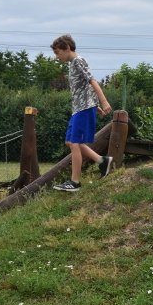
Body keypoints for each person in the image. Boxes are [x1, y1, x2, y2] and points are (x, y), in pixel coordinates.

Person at [51, 34, 114, 191]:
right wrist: (94, 105)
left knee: (75, 143)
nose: (57, 57)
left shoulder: (78, 61)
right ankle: (102, 161)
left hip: (83, 109)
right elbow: (85, 87)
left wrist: (103, 101)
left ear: (67, 48)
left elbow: (92, 81)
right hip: (80, 108)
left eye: (58, 52)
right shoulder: (72, 64)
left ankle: (75, 182)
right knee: (70, 141)